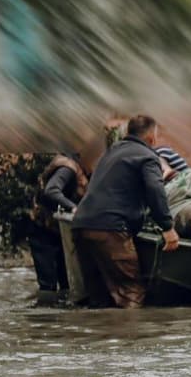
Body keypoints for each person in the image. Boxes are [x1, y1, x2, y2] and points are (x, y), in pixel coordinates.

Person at [71, 115, 180, 308]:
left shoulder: (111, 152)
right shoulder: (147, 156)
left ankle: (95, 336)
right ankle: (131, 337)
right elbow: (156, 190)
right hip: (111, 229)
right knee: (131, 293)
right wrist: (167, 227)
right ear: (152, 138)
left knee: (98, 300)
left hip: (80, 226)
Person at [31, 152, 89, 305]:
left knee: (66, 284)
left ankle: (62, 322)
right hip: (43, 231)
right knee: (48, 286)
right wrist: (73, 208)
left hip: (57, 231)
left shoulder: (77, 166)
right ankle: (46, 321)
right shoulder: (68, 167)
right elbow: (51, 191)